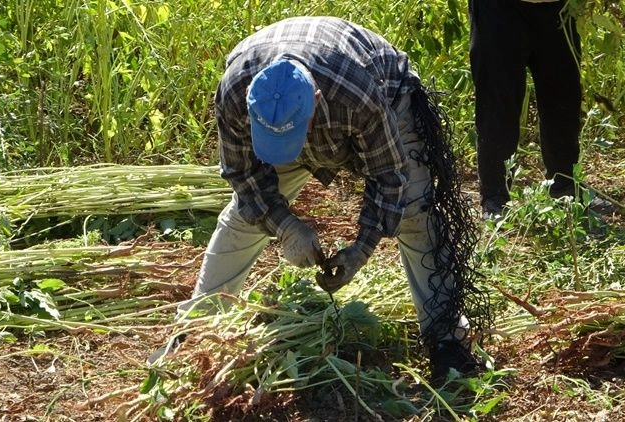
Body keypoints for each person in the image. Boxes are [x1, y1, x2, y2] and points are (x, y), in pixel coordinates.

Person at [153, 16, 489, 378]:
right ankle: (194, 330)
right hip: (310, 109)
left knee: (414, 214)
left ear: (315, 101)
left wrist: (361, 250)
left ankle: (447, 340)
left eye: (290, 136)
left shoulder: (356, 95)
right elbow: (243, 175)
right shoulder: (236, 92)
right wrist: (285, 227)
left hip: (388, 99)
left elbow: (390, 176)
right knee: (242, 220)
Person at [469, 0, 592, 217]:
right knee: (497, 104)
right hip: (496, 10)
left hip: (558, 9)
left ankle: (565, 188)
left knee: (563, 99)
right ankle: (495, 198)